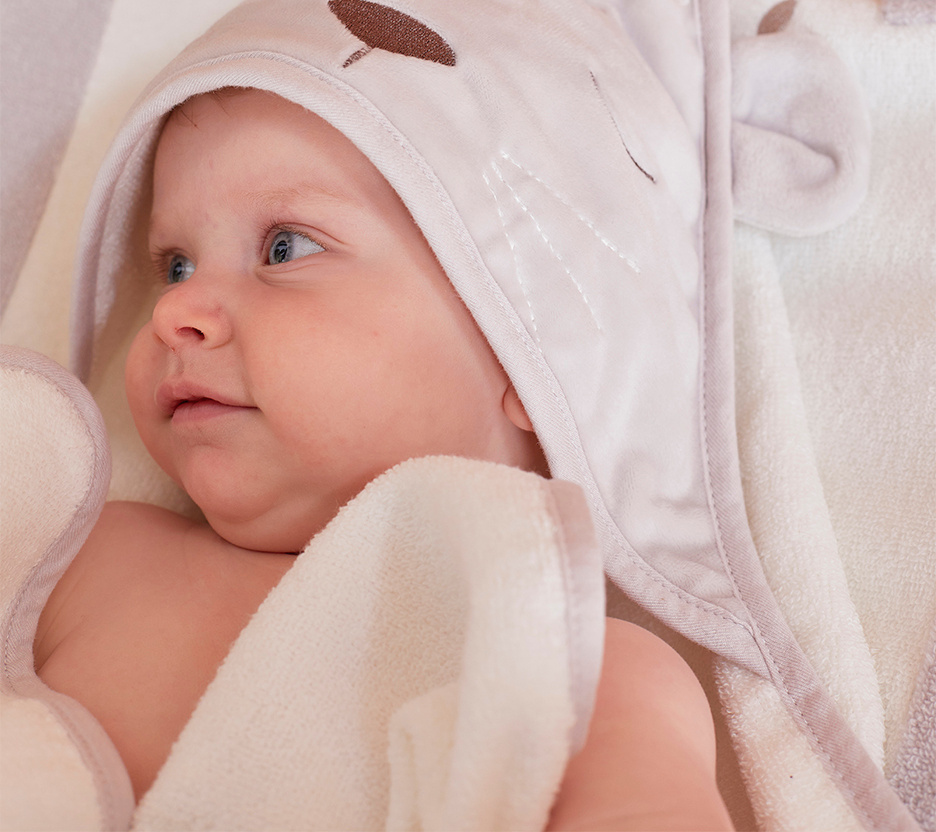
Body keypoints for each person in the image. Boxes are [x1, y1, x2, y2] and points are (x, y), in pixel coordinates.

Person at [35, 85, 733, 830]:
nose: (175, 312)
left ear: (529, 352)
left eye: (284, 248)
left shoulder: (569, 657)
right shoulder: (82, 553)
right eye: (176, 266)